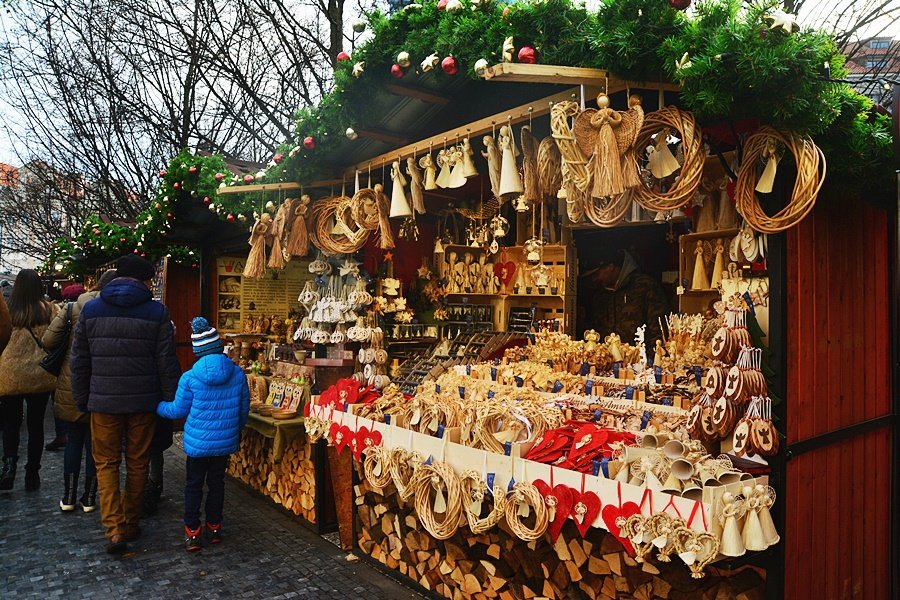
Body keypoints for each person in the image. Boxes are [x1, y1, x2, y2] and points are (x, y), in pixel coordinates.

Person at [70, 255, 181, 554]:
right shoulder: (156, 312)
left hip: (102, 401)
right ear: (145, 281)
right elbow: (166, 363)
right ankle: (130, 522)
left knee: (105, 463)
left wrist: (83, 399)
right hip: (143, 402)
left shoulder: (91, 309)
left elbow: (78, 360)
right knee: (137, 462)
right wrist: (171, 402)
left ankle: (114, 529)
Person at [157, 317, 249, 552]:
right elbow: (242, 410)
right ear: (219, 347)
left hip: (197, 444)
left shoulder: (189, 377)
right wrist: (233, 430)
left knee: (193, 484)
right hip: (225, 441)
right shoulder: (237, 374)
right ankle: (214, 527)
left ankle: (193, 532)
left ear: (197, 350)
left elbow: (178, 410)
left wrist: (157, 406)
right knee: (217, 483)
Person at [43, 273, 115, 512]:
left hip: (72, 379)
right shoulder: (115, 307)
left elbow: (49, 341)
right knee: (96, 443)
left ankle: (69, 497)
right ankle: (91, 498)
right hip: (103, 382)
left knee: (74, 440)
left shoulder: (74, 306)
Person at [0, 270, 59, 491]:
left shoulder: (7, 309)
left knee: (10, 424)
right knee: (36, 426)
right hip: (39, 374)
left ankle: (9, 467)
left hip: (10, 373)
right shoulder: (50, 309)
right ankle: (32, 473)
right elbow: (56, 339)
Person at [582, 248, 669, 348]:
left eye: (596, 274)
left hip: (639, 358)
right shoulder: (599, 294)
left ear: (610, 267)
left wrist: (653, 357)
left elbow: (659, 328)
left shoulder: (644, 286)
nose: (594, 279)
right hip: (606, 358)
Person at [45, 284, 85, 453]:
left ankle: (63, 435)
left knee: (73, 431)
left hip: (68, 368)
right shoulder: (98, 308)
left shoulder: (67, 310)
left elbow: (48, 340)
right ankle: (93, 478)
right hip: (96, 375)